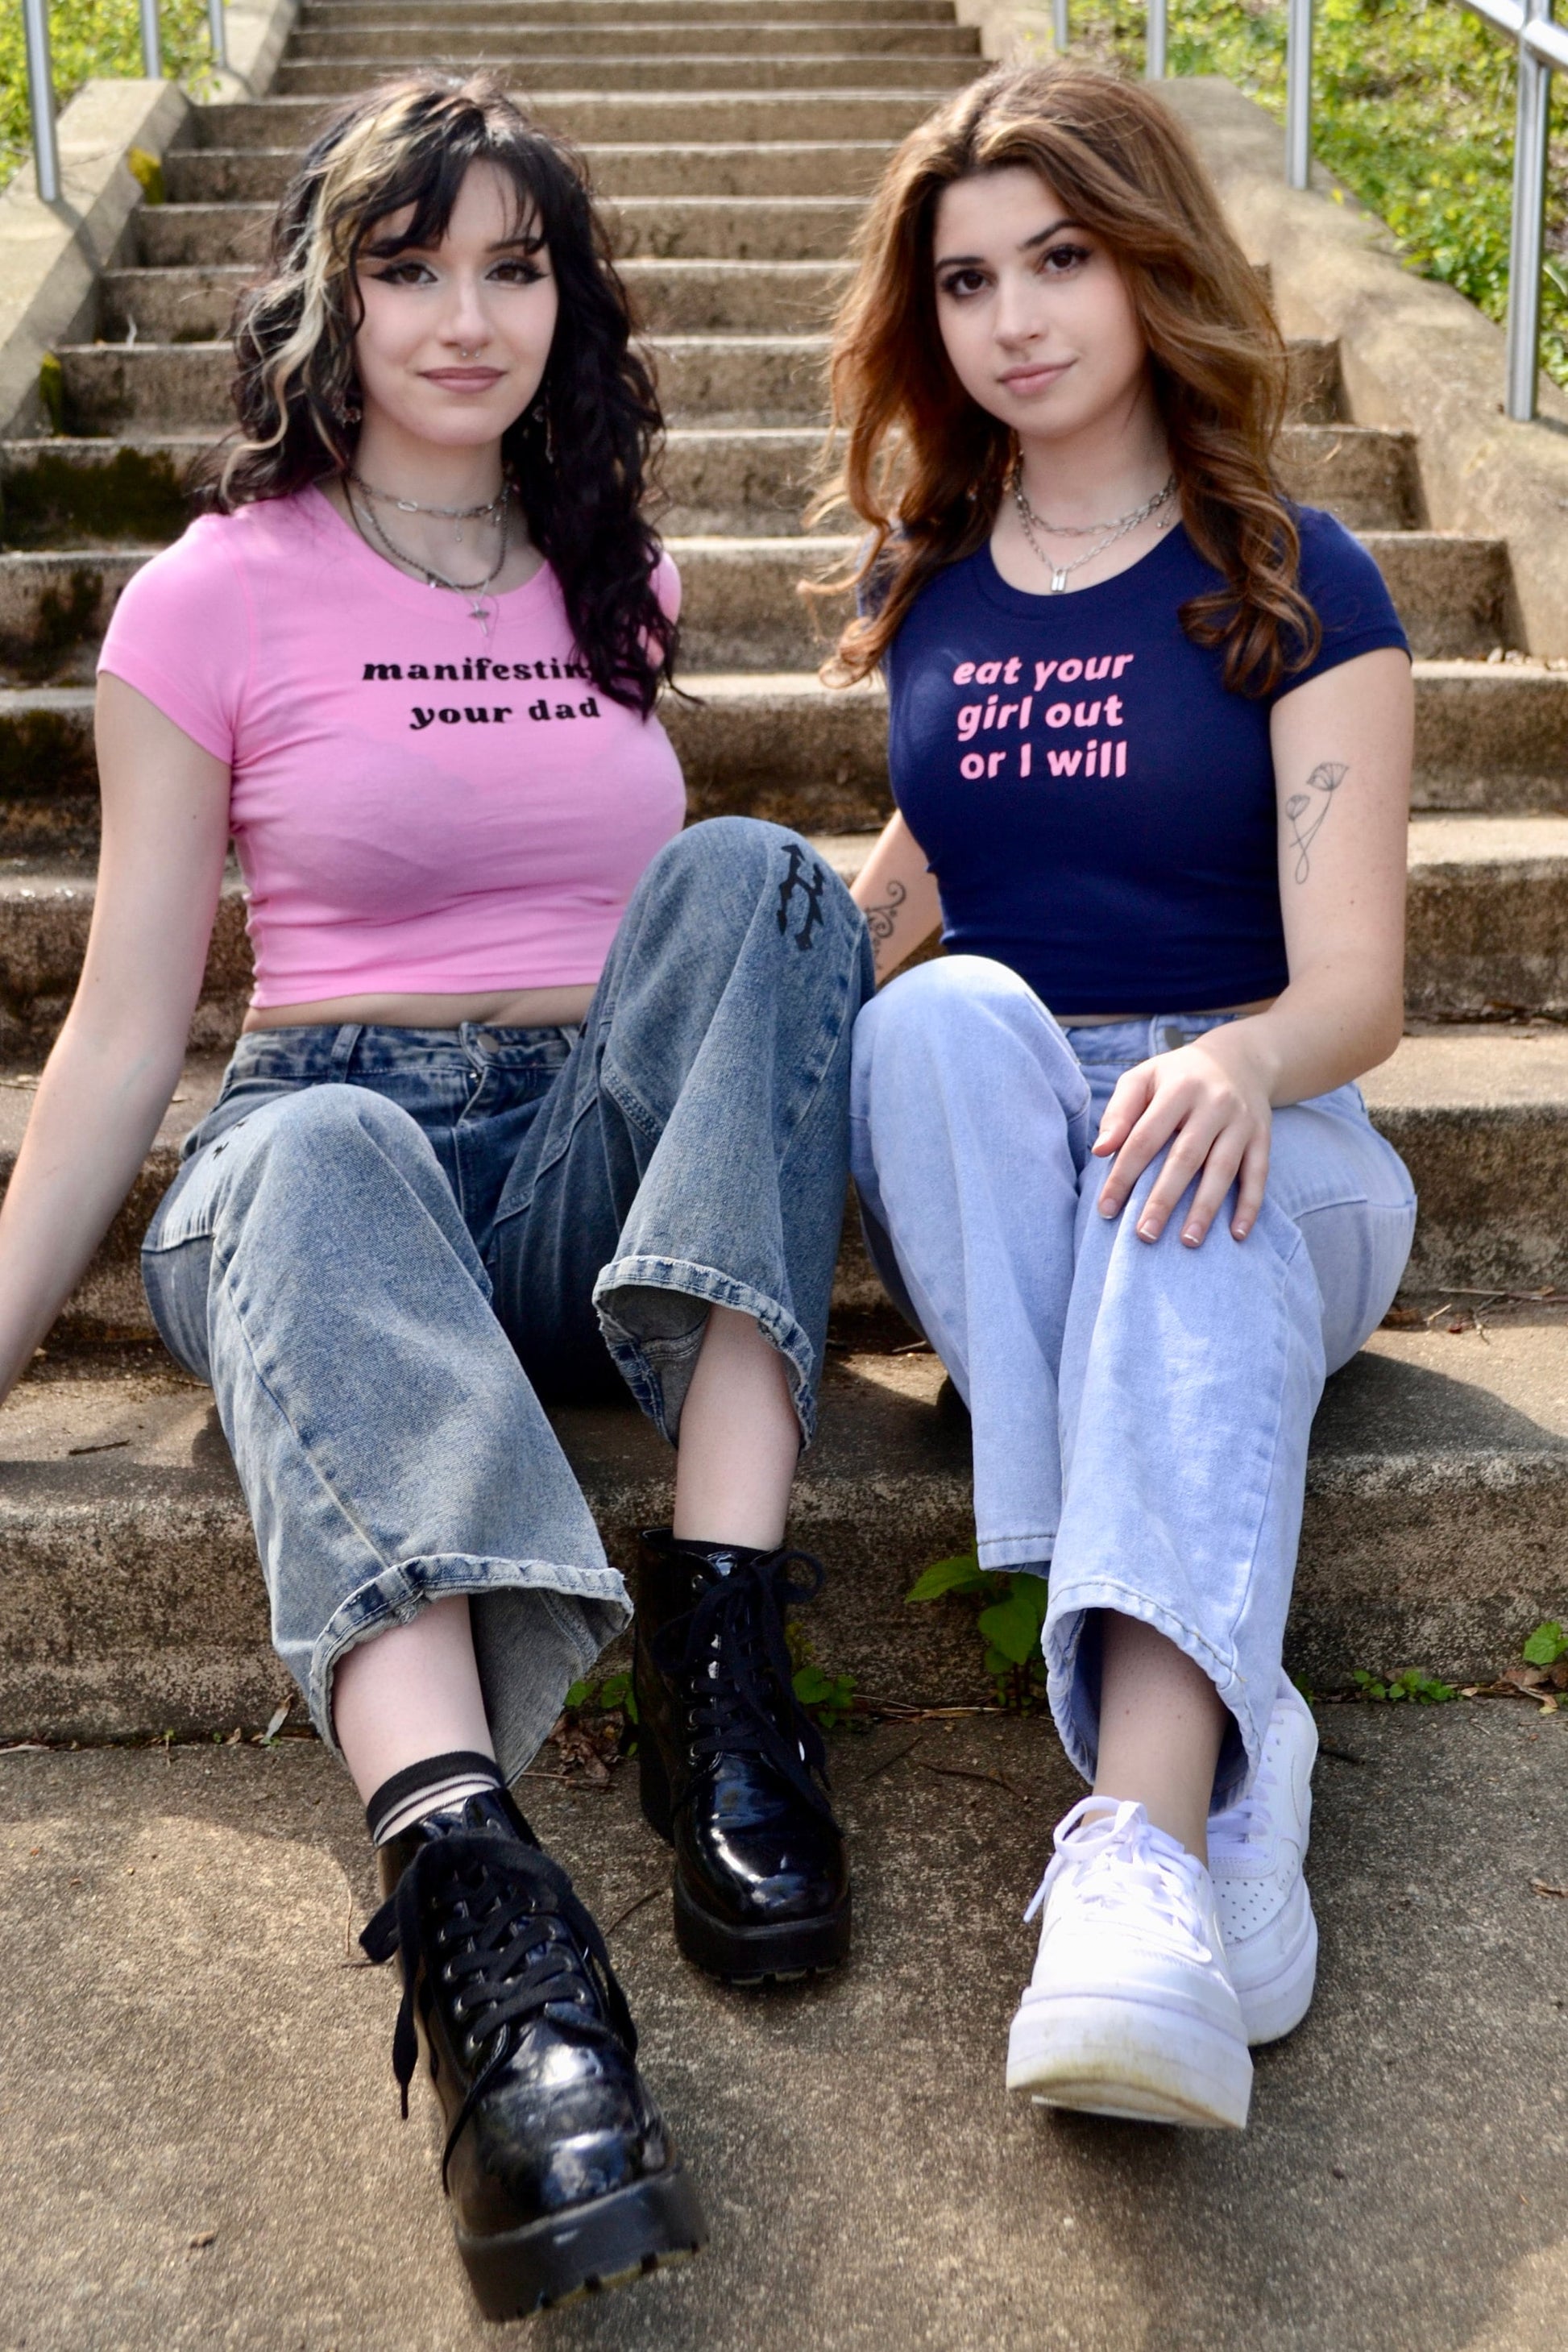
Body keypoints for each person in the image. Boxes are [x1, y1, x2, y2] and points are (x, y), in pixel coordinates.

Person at [0, 76, 871, 2317]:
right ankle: (485, 1920)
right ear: (328, 292)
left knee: (768, 880)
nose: (466, 316)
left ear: (567, 302)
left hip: (580, 1168)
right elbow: (120, 1037)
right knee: (309, 1141)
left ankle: (720, 1652)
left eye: (513, 264)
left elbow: (689, 968)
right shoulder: (208, 598)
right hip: (332, 1165)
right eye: (409, 266)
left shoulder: (621, 573)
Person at [821, 61, 1417, 2130]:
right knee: (922, 1024)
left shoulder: (1299, 573)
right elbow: (917, 887)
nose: (1012, 315)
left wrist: (1239, 1057)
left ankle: (1142, 1853)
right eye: (969, 277)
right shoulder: (935, 578)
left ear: (1152, 256)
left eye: (1061, 256)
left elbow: (1354, 987)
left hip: (1275, 1134)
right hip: (1020, 1144)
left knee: (1174, 1146)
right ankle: (1228, 1717)